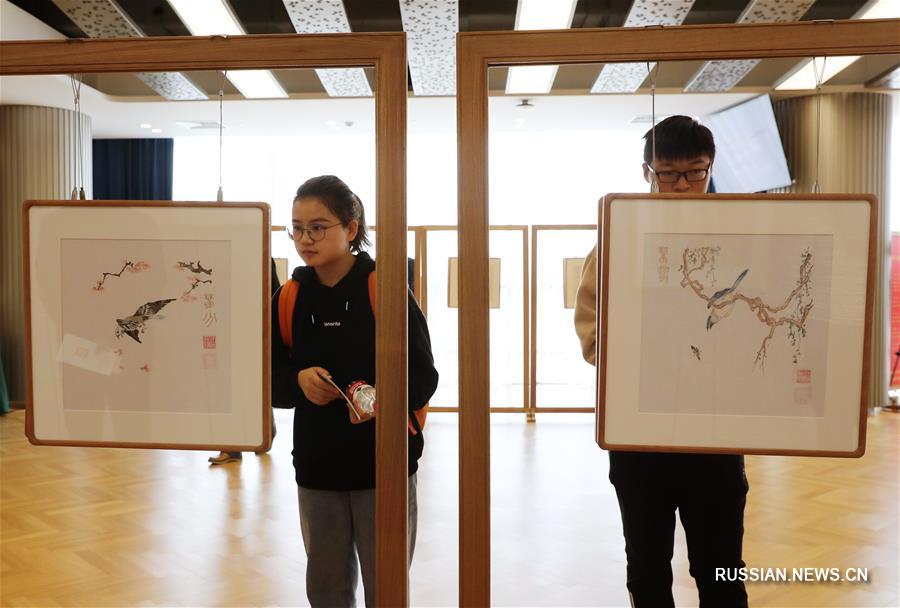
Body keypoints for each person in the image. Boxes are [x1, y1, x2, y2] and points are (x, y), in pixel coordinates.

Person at [574, 116, 749, 608]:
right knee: (647, 568)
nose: (683, 185)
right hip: (639, 433)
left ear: (711, 167)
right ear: (646, 172)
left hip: (717, 432)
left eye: (695, 172)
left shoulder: (743, 237)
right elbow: (592, 336)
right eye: (668, 174)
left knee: (722, 569)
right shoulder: (616, 240)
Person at [272, 175, 438, 607]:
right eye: (297, 228)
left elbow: (424, 377)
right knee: (326, 590)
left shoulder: (385, 289)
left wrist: (376, 398)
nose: (305, 239)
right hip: (317, 467)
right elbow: (270, 380)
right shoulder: (289, 297)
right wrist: (298, 381)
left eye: (317, 228)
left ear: (351, 228)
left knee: (387, 590)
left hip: (383, 465)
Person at [208, 258, 281, 464]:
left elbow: (274, 293)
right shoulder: (218, 254)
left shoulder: (260, 254)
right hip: (224, 326)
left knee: (254, 385)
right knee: (227, 389)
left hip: (253, 327)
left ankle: (264, 432)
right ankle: (231, 447)